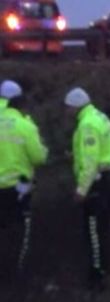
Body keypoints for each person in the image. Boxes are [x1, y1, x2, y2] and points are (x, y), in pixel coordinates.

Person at [64, 87, 110, 290]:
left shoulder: (87, 125)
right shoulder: (99, 117)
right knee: (102, 229)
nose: (66, 112)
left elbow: (91, 161)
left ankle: (97, 277)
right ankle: (103, 271)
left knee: (93, 232)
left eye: (68, 108)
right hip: (107, 180)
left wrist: (81, 190)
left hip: (96, 183)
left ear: (75, 107)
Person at [0, 80, 48, 279]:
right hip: (18, 188)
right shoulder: (25, 125)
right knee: (18, 230)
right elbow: (38, 158)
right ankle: (14, 273)